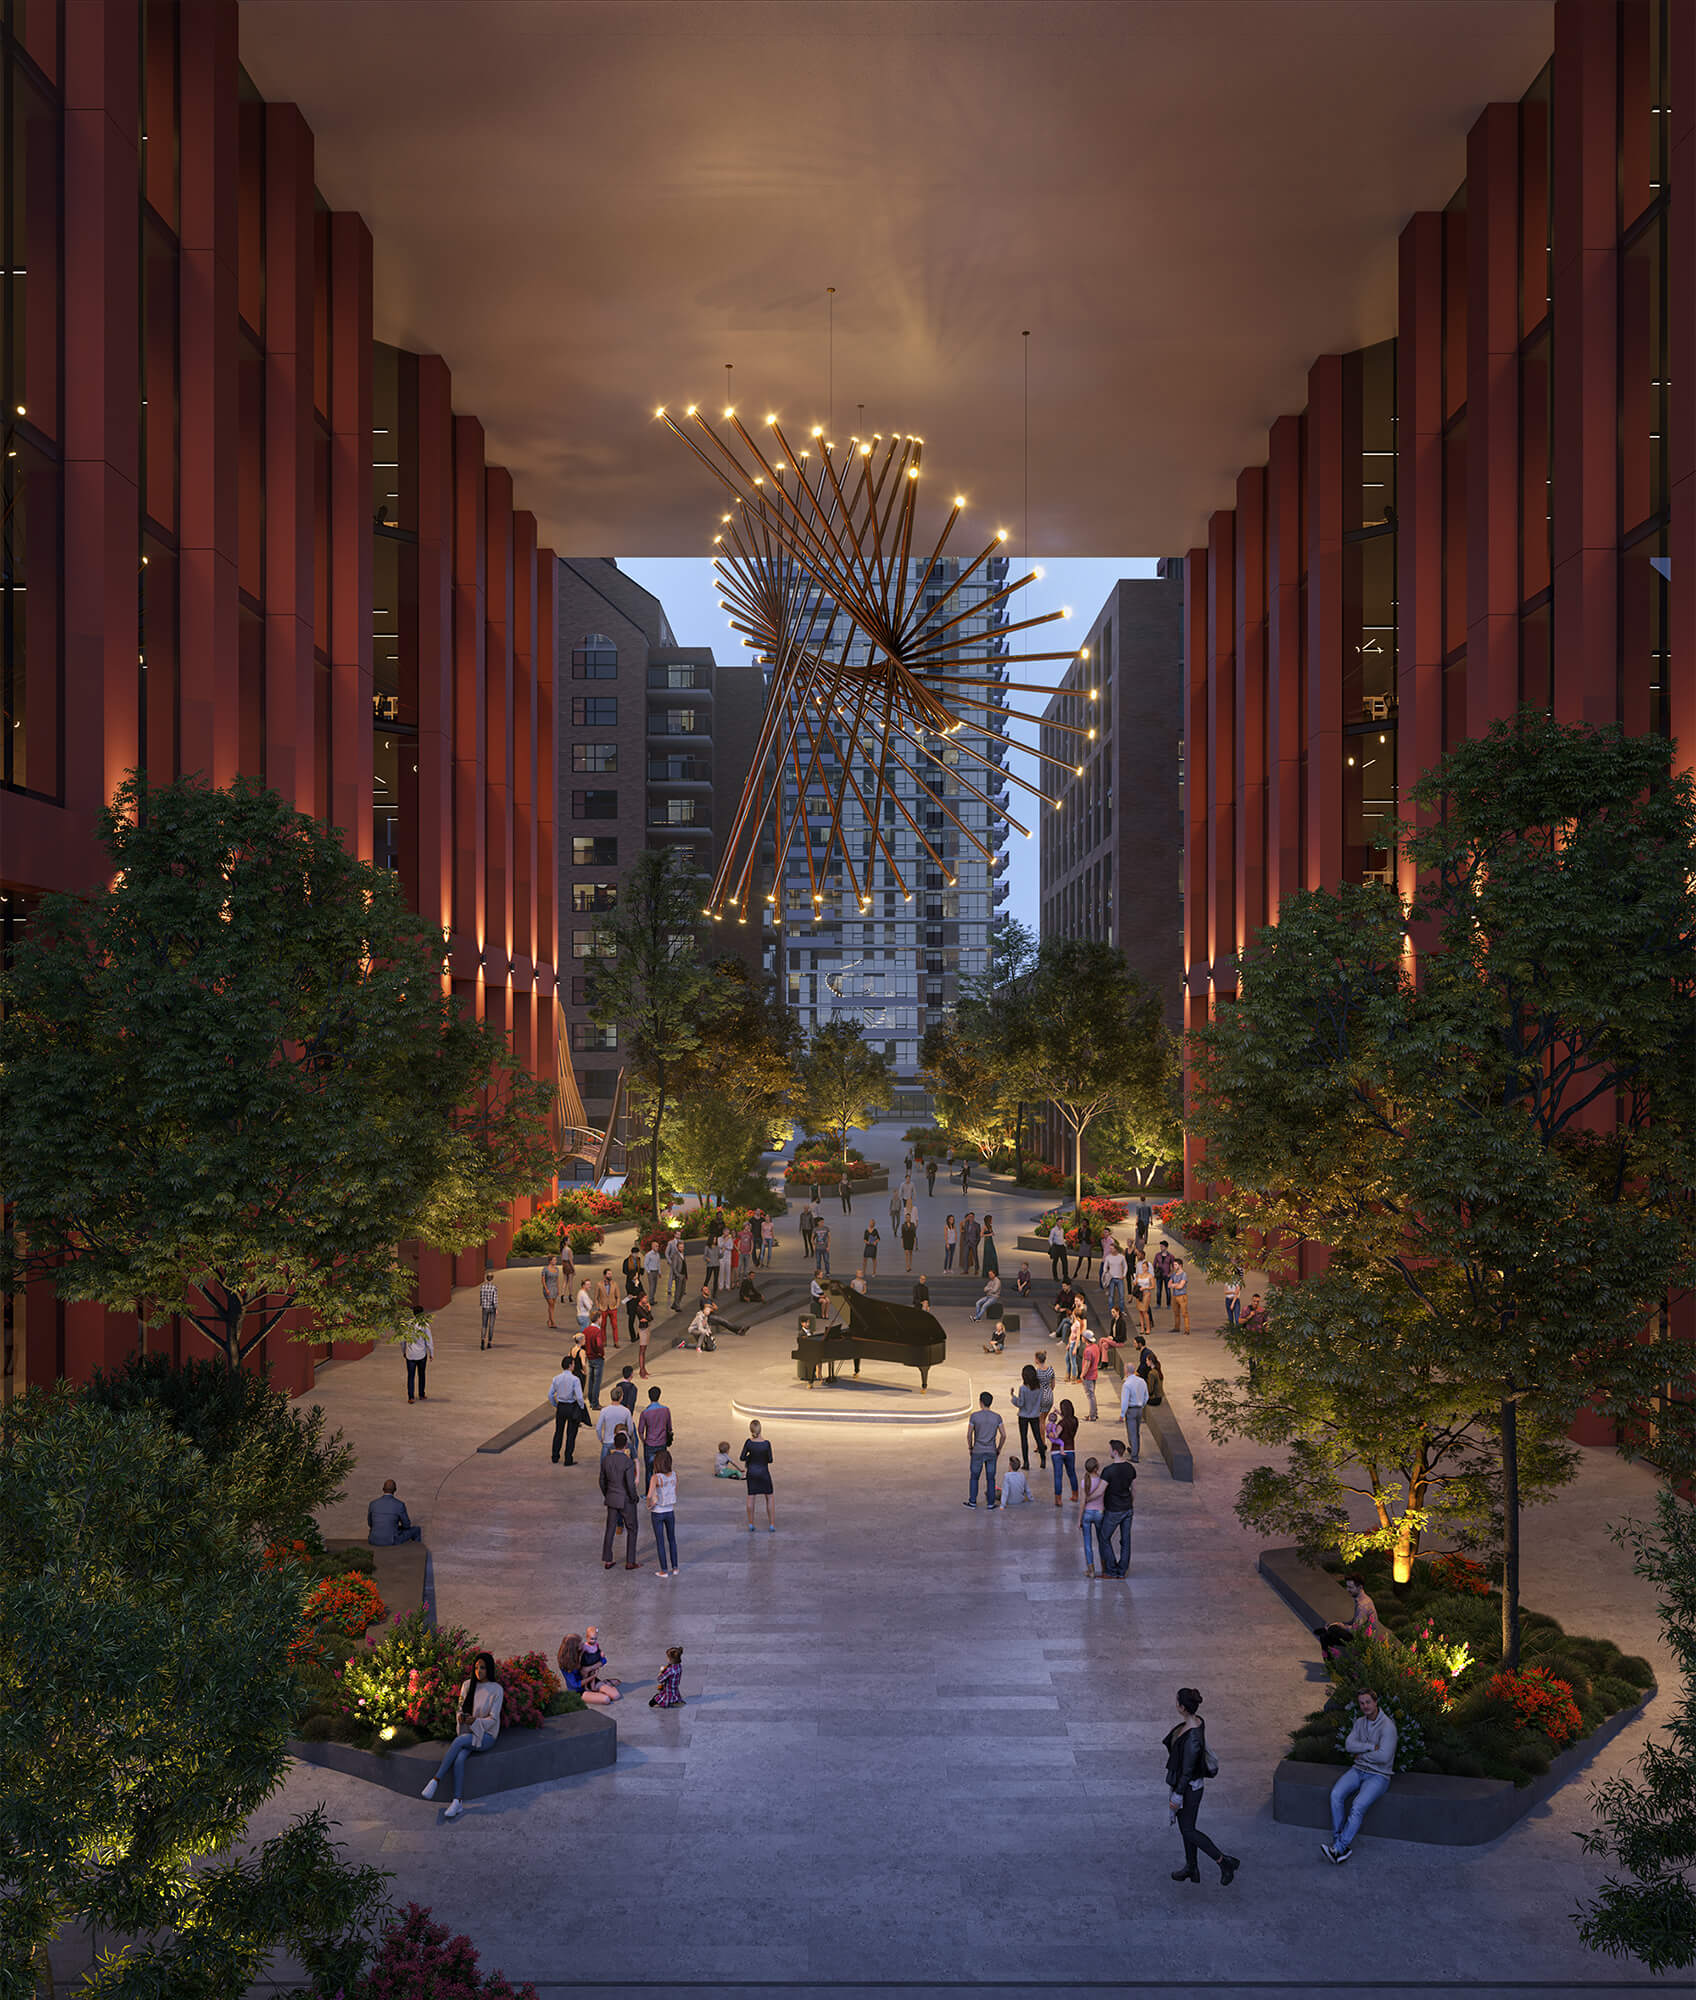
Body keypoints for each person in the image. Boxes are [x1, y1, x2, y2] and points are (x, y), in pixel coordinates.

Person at [1165, 1688, 1240, 1884]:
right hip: (1189, 1787)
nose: (1175, 1703)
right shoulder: (1197, 1722)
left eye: (1176, 1701)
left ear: (1182, 1707)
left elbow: (1187, 1771)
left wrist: (1177, 1795)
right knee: (1186, 1828)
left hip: (1189, 1789)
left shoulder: (1191, 1738)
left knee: (1189, 1830)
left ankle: (1224, 1862)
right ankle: (1191, 1867)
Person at [421, 1652, 501, 1819]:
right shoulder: (467, 1685)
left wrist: (475, 1721)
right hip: (469, 1731)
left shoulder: (496, 1689)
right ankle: (457, 1801)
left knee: (459, 1741)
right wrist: (461, 1717)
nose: (479, 1671)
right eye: (477, 1667)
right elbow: (459, 1707)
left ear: (489, 1669)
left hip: (486, 1736)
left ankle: (435, 1780)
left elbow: (493, 1719)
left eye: (483, 1668)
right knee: (459, 1759)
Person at [1323, 1688, 1398, 1863]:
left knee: (1357, 1806)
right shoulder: (1359, 1723)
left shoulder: (1388, 1727)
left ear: (1375, 1702)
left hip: (1379, 1776)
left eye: (1368, 1702)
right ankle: (1338, 1842)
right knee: (1335, 1794)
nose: (1365, 1706)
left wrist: (1361, 1753)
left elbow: (1384, 1757)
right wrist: (1371, 1747)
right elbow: (1349, 1745)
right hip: (1358, 1770)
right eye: (1362, 1703)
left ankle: (1339, 1848)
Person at [600, 1426, 642, 1569]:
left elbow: (601, 1480)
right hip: (626, 1500)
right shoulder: (627, 1462)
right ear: (625, 1446)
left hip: (612, 1498)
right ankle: (630, 1561)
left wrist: (608, 1493)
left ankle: (607, 1560)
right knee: (632, 1528)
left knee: (610, 1528)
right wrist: (634, 1497)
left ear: (614, 1444)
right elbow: (630, 1484)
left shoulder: (606, 1460)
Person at [1099, 1437, 1138, 1577]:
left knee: (1104, 1537)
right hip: (1127, 1508)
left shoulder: (1108, 1471)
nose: (1108, 1451)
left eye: (1110, 1449)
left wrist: (1088, 1499)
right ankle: (1122, 1570)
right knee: (1125, 1540)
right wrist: (1130, 1503)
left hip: (1113, 1509)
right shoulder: (1130, 1468)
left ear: (1115, 1452)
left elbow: (1101, 1490)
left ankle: (1111, 1568)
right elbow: (1133, 1489)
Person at [1315, 1576, 1380, 1653]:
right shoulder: (1363, 1599)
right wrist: (1339, 1624)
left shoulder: (1363, 1606)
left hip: (1363, 1639)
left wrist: (1340, 1625)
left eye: (1350, 1587)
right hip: (1359, 1632)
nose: (1347, 1590)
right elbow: (1354, 1622)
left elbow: (1355, 1629)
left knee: (1328, 1634)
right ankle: (1329, 1629)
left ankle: (1329, 1630)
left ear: (1360, 1587)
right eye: (1347, 1587)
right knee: (1327, 1634)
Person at [964, 1391, 1004, 1508]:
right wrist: (999, 1448)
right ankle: (990, 1503)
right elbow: (1004, 1435)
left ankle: (972, 1501)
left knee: (974, 1477)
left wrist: (970, 1447)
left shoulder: (975, 1416)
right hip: (991, 1450)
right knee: (991, 1478)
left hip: (978, 1450)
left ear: (980, 1402)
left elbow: (969, 1434)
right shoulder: (997, 1417)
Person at [557, 1631, 619, 1705]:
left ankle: (602, 1686)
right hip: (579, 1690)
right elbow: (575, 1685)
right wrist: (593, 1676)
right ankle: (603, 1686)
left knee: (616, 1696)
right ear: (574, 1648)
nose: (583, 1644)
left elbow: (603, 1660)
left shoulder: (584, 1649)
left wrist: (590, 1668)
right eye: (580, 1643)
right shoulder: (565, 1663)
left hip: (591, 1680)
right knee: (606, 1699)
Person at [549, 1354, 589, 1466]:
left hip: (561, 1406)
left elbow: (550, 1395)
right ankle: (568, 1458)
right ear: (571, 1365)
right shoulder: (575, 1379)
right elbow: (580, 1397)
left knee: (558, 1432)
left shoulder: (556, 1378)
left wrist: (556, 1404)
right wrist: (581, 1407)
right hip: (571, 1407)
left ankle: (555, 1456)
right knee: (571, 1434)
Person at [646, 1445, 679, 1577]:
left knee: (660, 1541)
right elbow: (675, 1491)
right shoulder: (674, 1475)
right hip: (670, 1511)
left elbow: (649, 1495)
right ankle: (675, 1567)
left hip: (658, 1512)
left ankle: (664, 1570)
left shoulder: (656, 1477)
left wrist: (649, 1505)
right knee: (672, 1539)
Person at [741, 1420, 775, 1530]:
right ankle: (771, 1524)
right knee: (769, 1497)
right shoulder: (766, 1444)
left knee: (751, 1497)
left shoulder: (749, 1442)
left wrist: (750, 1457)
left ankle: (751, 1523)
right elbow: (770, 1460)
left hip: (751, 1472)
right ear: (761, 1429)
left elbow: (742, 1457)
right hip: (764, 1472)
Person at [1013, 1363, 1046, 1474]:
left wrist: (1013, 1398)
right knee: (1038, 1438)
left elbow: (1021, 1403)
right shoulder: (1039, 1388)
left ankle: (1026, 1463)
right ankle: (1043, 1459)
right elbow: (1041, 1402)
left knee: (1024, 1439)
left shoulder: (1023, 1388)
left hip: (1023, 1416)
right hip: (1035, 1415)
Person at [368, 1478, 422, 1544]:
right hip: (391, 1540)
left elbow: (370, 1524)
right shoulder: (399, 1505)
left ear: (383, 1489)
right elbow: (406, 1525)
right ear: (395, 1490)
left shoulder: (373, 1504)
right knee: (416, 1529)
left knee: (392, 1528)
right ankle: (416, 1550)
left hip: (373, 1539)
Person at [637, 1384, 672, 1482]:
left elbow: (640, 1431)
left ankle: (649, 1491)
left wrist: (644, 1441)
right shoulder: (666, 1410)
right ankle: (661, 1488)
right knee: (661, 1468)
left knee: (649, 1470)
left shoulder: (645, 1413)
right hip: (662, 1443)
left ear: (649, 1397)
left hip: (650, 1444)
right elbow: (669, 1427)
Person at [1119, 1355, 1151, 1462]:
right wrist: (1141, 1405)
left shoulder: (1127, 1384)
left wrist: (1122, 1414)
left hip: (1131, 1410)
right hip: (1139, 1409)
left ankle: (1134, 1455)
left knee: (1132, 1432)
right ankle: (1135, 1449)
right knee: (1136, 1431)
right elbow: (1146, 1396)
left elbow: (1125, 1401)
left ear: (1126, 1371)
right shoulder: (1141, 1381)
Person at [1079, 1456, 1108, 1575]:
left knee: (1087, 1542)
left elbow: (1082, 1502)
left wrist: (1079, 1519)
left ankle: (1090, 1570)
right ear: (1096, 1468)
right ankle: (1104, 1567)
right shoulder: (1102, 1481)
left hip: (1087, 1513)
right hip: (1100, 1513)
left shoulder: (1084, 1481)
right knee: (1102, 1541)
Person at [1047, 1399, 1079, 1504]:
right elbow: (1067, 1420)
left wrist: (1049, 1433)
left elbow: (1056, 1435)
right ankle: (1075, 1495)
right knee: (1072, 1473)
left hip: (1057, 1451)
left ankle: (1058, 1499)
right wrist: (1059, 1414)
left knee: (1058, 1475)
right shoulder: (1075, 1421)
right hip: (1070, 1450)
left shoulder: (1061, 1424)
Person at [403, 1316, 433, 1402]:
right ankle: (421, 1394)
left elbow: (402, 1340)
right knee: (422, 1375)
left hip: (410, 1355)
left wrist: (403, 1351)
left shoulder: (407, 1324)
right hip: (421, 1355)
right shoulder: (425, 1325)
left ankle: (411, 1397)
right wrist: (431, 1353)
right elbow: (429, 1341)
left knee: (411, 1376)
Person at [582, 1307, 607, 1408]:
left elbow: (583, 1343)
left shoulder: (586, 1330)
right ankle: (595, 1403)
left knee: (591, 1380)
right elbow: (599, 1344)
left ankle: (591, 1400)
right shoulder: (597, 1331)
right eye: (601, 1318)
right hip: (597, 1358)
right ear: (598, 1319)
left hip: (589, 1357)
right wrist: (601, 1353)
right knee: (597, 1381)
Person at [1079, 1314, 1102, 1419]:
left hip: (1088, 1375)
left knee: (1090, 1396)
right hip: (1094, 1373)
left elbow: (1087, 1364)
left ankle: (1092, 1415)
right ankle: (1094, 1413)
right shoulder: (1095, 1347)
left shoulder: (1088, 1350)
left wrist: (1082, 1374)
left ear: (1085, 1338)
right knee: (1092, 1395)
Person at [595, 1396, 630, 1463]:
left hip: (607, 1442)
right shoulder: (626, 1411)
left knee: (604, 1467)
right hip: (621, 1443)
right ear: (621, 1398)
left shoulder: (604, 1410)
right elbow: (630, 1429)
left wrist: (601, 1439)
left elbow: (598, 1428)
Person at [1103, 1239, 1128, 1314]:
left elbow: (1125, 1266)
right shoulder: (1108, 1257)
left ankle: (1122, 1310)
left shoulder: (1121, 1257)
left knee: (1121, 1296)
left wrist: (1124, 1275)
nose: (1110, 1250)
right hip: (1111, 1278)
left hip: (1119, 1278)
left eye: (1112, 1248)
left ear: (1115, 1249)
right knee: (1111, 1296)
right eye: (1110, 1248)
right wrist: (1106, 1273)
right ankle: (1112, 1310)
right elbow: (1105, 1267)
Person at [478, 1267, 499, 1351]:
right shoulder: (494, 1287)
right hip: (492, 1308)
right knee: (491, 1325)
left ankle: (483, 1339)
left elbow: (481, 1297)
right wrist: (496, 1308)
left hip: (485, 1307)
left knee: (484, 1325)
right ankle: (489, 1342)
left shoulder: (482, 1287)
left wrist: (482, 1304)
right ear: (492, 1278)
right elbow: (495, 1298)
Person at [666, 1232, 688, 1311]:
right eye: (680, 1247)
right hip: (679, 1275)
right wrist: (678, 1275)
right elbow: (674, 1267)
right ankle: (677, 1305)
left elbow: (684, 1265)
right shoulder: (675, 1255)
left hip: (684, 1275)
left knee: (682, 1291)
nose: (682, 1248)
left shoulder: (683, 1254)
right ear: (677, 1247)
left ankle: (675, 1304)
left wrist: (686, 1275)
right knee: (678, 1291)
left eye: (683, 1247)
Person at [1170, 1257, 1191, 1334]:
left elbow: (1181, 1286)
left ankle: (1187, 1329)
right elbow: (1169, 1284)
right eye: (1174, 1265)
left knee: (1184, 1313)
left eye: (1176, 1265)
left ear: (1180, 1265)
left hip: (1182, 1296)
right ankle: (1176, 1327)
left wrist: (1174, 1285)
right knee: (1176, 1313)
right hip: (1175, 1295)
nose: (1174, 1266)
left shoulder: (1184, 1274)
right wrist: (1176, 1284)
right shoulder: (1174, 1274)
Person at [1153, 1240, 1175, 1312]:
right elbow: (1154, 1264)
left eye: (1162, 1246)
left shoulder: (1171, 1256)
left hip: (1167, 1275)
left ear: (1166, 1247)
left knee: (1168, 1291)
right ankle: (1158, 1304)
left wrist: (1170, 1274)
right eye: (1160, 1246)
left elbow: (1173, 1266)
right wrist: (1156, 1271)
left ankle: (1168, 1304)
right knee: (1158, 1290)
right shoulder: (1157, 1255)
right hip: (1159, 1275)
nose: (1161, 1248)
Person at [542, 1254, 561, 1330]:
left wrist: (558, 1289)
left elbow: (557, 1280)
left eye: (555, 1260)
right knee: (551, 1304)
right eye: (554, 1260)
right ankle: (553, 1322)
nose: (555, 1261)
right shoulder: (545, 1269)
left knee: (552, 1306)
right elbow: (543, 1280)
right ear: (550, 1261)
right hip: (548, 1288)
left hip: (554, 1289)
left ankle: (549, 1320)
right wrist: (546, 1289)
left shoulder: (557, 1269)